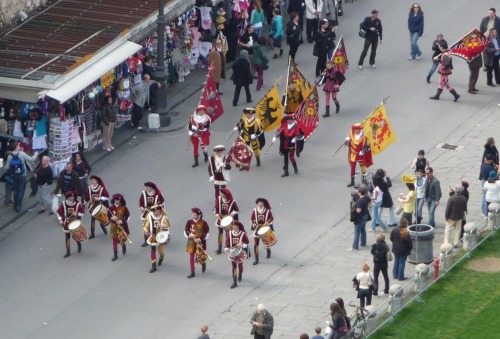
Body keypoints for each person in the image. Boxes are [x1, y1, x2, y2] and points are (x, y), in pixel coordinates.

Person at [4, 142, 39, 212]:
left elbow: (6, 168)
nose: (19, 147)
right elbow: (32, 159)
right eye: (18, 146)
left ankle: (15, 205)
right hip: (22, 175)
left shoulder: (10, 156)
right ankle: (18, 206)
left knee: (15, 190)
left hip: (14, 175)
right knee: (21, 191)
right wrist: (36, 154)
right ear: (16, 147)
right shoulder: (22, 154)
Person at [56, 191, 85, 258]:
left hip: (75, 222)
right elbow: (59, 212)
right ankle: (68, 251)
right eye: (70, 197)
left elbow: (83, 213)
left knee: (75, 236)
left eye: (72, 196)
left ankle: (79, 244)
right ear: (67, 197)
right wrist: (60, 220)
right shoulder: (63, 204)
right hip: (67, 222)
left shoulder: (77, 204)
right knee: (67, 237)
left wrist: (77, 214)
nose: (72, 198)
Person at [143, 205, 170, 273]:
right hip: (153, 236)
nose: (156, 212)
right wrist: (146, 231)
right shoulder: (149, 217)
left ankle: (161, 257)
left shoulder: (164, 218)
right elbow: (145, 225)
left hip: (161, 236)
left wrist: (162, 226)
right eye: (155, 211)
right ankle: (153, 266)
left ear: (160, 211)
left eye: (158, 211)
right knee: (153, 250)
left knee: (160, 250)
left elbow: (167, 226)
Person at [184, 207, 210, 278]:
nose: (193, 216)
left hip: (200, 243)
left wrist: (200, 239)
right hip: (191, 241)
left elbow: (206, 233)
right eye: (193, 214)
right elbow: (185, 230)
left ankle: (203, 263)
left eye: (195, 215)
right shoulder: (189, 222)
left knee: (200, 257)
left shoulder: (203, 223)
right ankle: (192, 271)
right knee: (191, 256)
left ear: (198, 215)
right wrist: (189, 235)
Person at [224, 220, 250, 288]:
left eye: (235, 226)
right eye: (233, 226)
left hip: (240, 252)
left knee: (240, 266)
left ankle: (240, 274)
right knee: (234, 267)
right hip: (232, 252)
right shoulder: (229, 233)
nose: (234, 227)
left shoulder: (242, 234)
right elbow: (227, 243)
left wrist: (242, 244)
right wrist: (226, 249)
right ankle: (234, 281)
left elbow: (247, 243)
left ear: (238, 226)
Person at [214, 187, 240, 254]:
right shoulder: (219, 199)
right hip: (221, 218)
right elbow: (216, 208)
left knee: (228, 233)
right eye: (220, 193)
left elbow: (236, 210)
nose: (220, 194)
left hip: (228, 219)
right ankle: (219, 247)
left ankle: (227, 246)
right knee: (220, 233)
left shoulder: (232, 201)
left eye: (222, 193)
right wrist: (216, 214)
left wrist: (232, 213)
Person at [139, 181, 165, 247]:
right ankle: (146, 240)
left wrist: (157, 209)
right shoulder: (144, 193)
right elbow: (141, 202)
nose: (146, 188)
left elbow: (162, 202)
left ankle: (159, 238)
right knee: (145, 226)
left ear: (151, 187)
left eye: (147, 187)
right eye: (146, 187)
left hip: (155, 212)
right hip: (147, 211)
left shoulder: (158, 194)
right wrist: (141, 207)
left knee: (156, 225)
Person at [251, 198, 275, 264]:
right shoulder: (255, 210)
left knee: (266, 243)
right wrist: (253, 224)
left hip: (264, 229)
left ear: (263, 203)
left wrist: (268, 223)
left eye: (261, 202)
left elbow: (271, 219)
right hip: (258, 228)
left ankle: (268, 251)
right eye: (259, 202)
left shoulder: (267, 211)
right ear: (257, 203)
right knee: (256, 244)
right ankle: (256, 258)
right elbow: (252, 218)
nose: (260, 203)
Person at [108, 193, 130, 261]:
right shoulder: (111, 208)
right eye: (115, 200)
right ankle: (115, 255)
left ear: (120, 200)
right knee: (114, 240)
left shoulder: (124, 208)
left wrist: (122, 221)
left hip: (122, 226)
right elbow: (108, 217)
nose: (117, 201)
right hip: (114, 226)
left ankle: (123, 245)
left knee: (121, 239)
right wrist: (112, 218)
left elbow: (128, 216)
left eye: (118, 200)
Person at [348, 186, 370, 251]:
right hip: (365, 215)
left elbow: (358, 211)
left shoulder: (360, 201)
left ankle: (355, 247)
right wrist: (366, 206)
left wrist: (354, 207)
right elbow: (370, 203)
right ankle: (363, 243)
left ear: (360, 193)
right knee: (363, 229)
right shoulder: (367, 197)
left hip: (360, 217)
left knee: (357, 231)